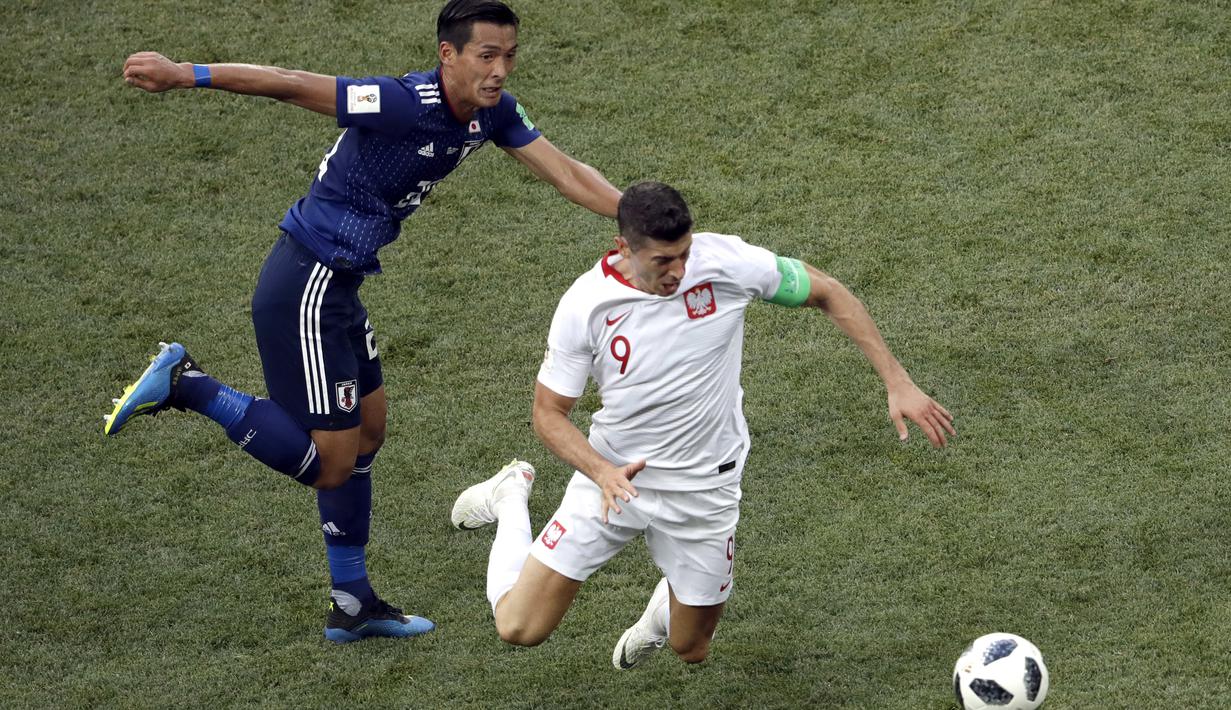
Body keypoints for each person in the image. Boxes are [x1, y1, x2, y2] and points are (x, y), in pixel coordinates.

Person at [105, 0, 622, 644]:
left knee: (368, 434)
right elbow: (291, 84)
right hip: (307, 284)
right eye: (487, 56)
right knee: (330, 464)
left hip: (341, 287)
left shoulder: (492, 112)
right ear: (448, 55)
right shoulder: (401, 102)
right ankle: (190, 385)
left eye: (509, 56)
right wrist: (186, 74)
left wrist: (636, 218)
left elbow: (566, 171)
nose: (500, 70)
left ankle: (352, 605)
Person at [450, 181, 955, 668]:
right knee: (519, 627)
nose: (679, 271)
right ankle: (510, 496)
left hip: (705, 489)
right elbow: (548, 413)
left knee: (690, 649)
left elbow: (827, 291)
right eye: (662, 261)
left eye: (684, 254)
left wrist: (898, 381)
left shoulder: (725, 262)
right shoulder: (585, 305)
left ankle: (664, 609)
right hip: (614, 481)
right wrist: (601, 472)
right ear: (623, 248)